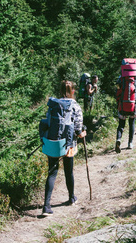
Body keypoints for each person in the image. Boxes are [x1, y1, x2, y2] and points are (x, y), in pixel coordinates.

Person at [42, 80, 87, 216]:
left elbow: (48, 121)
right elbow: (78, 129)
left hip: (53, 142)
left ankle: (46, 206)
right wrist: (82, 133)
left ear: (60, 90)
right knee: (69, 172)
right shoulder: (75, 105)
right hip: (69, 144)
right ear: (72, 91)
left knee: (52, 173)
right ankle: (71, 197)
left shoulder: (53, 104)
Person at [115, 77, 136, 153]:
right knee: (131, 124)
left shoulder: (121, 79)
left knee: (121, 125)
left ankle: (118, 139)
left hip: (122, 106)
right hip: (133, 106)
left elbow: (117, 93)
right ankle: (130, 143)